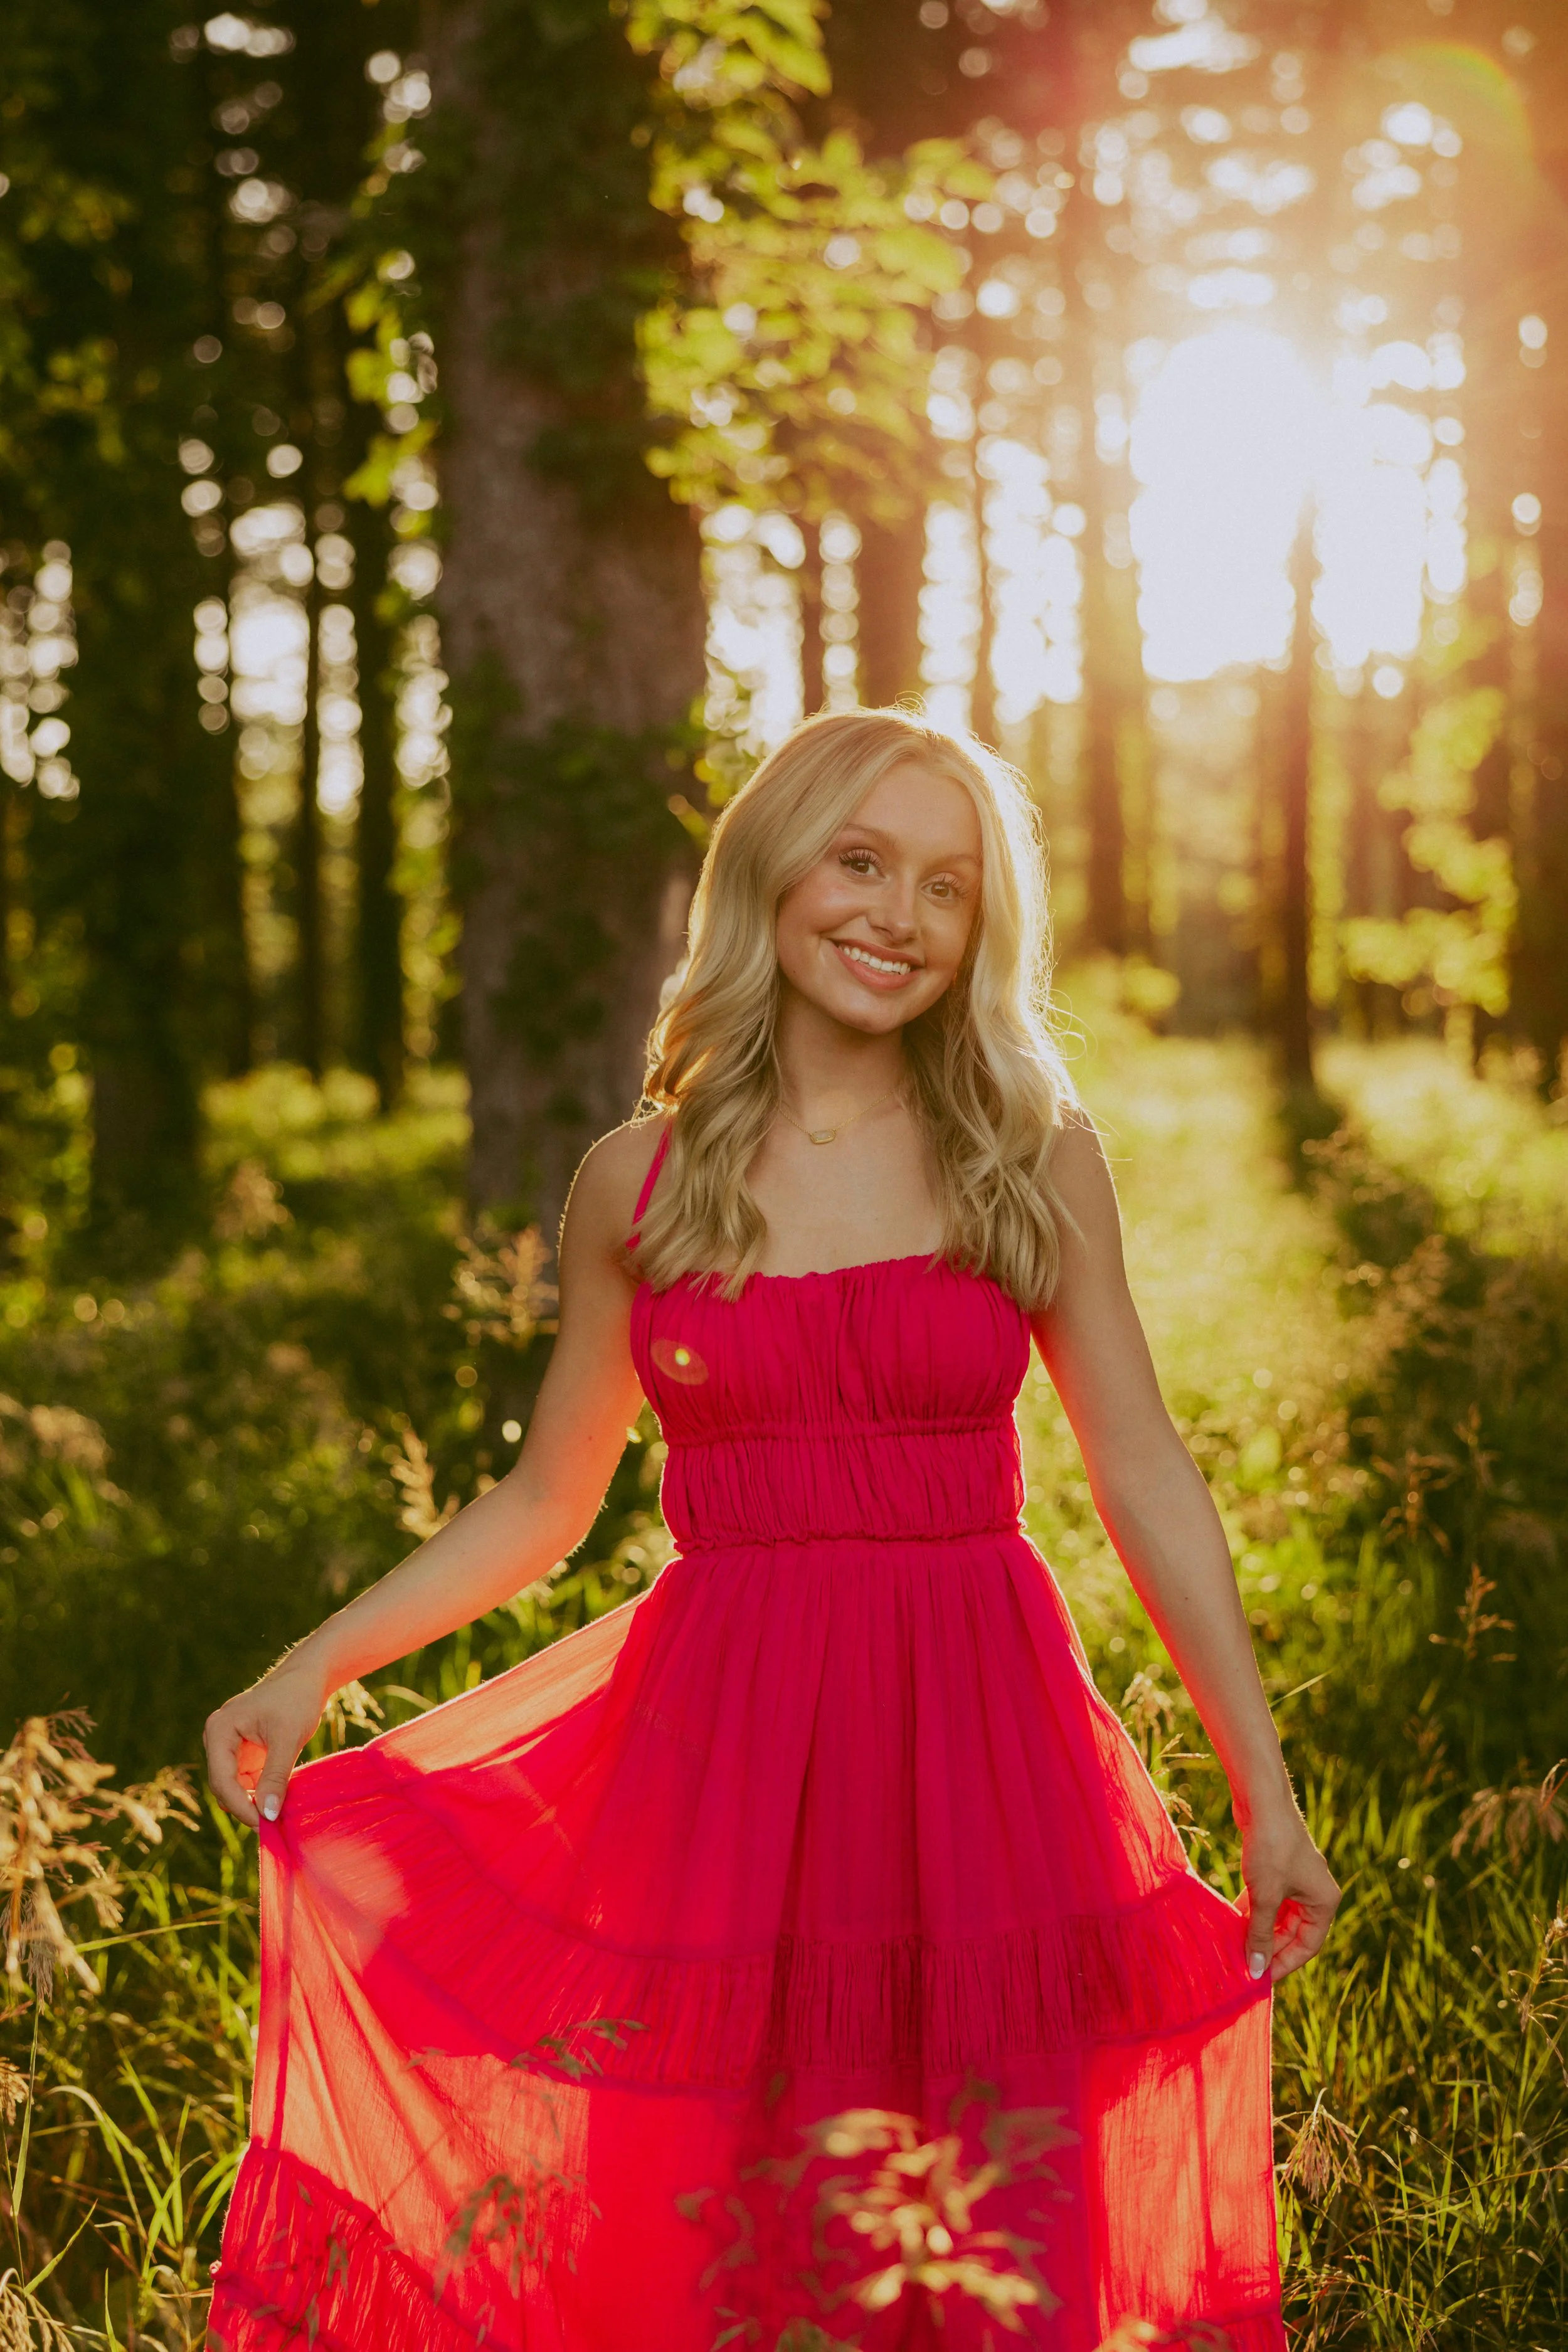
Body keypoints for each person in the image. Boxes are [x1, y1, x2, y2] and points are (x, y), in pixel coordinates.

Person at [204, 708, 1338, 2352]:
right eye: (857, 859)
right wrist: (311, 1667)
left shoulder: (1028, 1157)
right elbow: (544, 1500)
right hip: (717, 1766)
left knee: (988, 2227)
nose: (894, 913)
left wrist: (1265, 1792)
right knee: (704, 2234)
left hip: (982, 1751)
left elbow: (1141, 1468)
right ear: (765, 875)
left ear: (980, 930)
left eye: (944, 885)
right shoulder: (636, 1181)